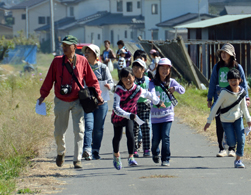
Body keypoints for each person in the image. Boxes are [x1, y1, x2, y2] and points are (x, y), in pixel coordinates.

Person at [38, 35, 103, 169]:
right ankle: (61, 152)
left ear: (74, 47)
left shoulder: (82, 61)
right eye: (63, 45)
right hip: (61, 101)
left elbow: (92, 80)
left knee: (79, 130)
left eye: (67, 45)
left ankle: (77, 159)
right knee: (59, 132)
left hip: (77, 100)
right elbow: (49, 79)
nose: (65, 47)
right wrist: (42, 95)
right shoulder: (56, 61)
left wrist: (98, 95)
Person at [111, 67, 165, 170]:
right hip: (119, 116)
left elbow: (148, 95)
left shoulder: (137, 89)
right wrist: (127, 115)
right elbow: (116, 108)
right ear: (121, 80)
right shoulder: (118, 90)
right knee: (117, 137)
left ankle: (131, 157)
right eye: (124, 78)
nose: (127, 81)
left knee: (130, 134)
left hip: (130, 115)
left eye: (129, 78)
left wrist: (158, 102)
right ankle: (116, 155)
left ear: (134, 78)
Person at [207, 43, 250, 158]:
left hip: (234, 101)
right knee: (220, 125)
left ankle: (232, 148)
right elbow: (212, 83)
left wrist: (246, 98)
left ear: (231, 55)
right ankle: (222, 148)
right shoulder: (217, 67)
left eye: (226, 53)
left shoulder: (237, 67)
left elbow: (244, 83)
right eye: (222, 52)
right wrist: (209, 98)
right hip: (219, 99)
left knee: (233, 123)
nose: (223, 54)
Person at [204, 68, 251, 168]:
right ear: (228, 81)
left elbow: (244, 107)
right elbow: (216, 106)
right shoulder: (224, 92)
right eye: (230, 80)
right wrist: (209, 121)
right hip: (226, 120)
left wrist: (248, 119)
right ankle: (226, 139)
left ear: (240, 80)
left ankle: (238, 160)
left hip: (238, 118)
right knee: (232, 142)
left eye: (235, 80)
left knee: (241, 139)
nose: (233, 82)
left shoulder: (242, 92)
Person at [149, 58, 185, 166]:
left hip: (168, 114)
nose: (165, 70)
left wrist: (175, 88)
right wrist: (157, 101)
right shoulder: (153, 83)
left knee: (165, 136)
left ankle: (166, 158)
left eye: (167, 68)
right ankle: (155, 152)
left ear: (170, 70)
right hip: (155, 115)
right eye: (162, 68)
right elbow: (151, 93)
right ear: (158, 69)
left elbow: (182, 90)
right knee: (156, 139)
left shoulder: (172, 82)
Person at [81, 44, 114, 160]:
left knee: (98, 128)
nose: (86, 54)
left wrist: (109, 85)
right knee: (88, 126)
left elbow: (111, 82)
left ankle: (95, 150)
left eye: (89, 52)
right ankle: (87, 149)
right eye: (86, 52)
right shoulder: (82, 67)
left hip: (102, 102)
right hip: (88, 102)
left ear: (95, 54)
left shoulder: (103, 68)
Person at [132, 59, 152, 157]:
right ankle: (134, 149)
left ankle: (146, 149)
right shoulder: (131, 79)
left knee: (145, 127)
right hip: (133, 106)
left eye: (138, 68)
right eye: (134, 68)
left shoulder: (148, 80)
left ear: (143, 69)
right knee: (134, 128)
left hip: (144, 105)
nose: (135, 70)